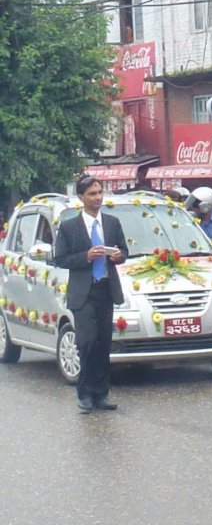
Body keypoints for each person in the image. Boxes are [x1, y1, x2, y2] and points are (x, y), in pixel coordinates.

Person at [54, 176, 128, 413]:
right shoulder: (69, 227)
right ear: (81, 197)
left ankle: (101, 393)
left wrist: (119, 256)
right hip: (83, 293)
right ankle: (84, 393)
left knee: (103, 343)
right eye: (92, 194)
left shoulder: (112, 223)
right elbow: (60, 258)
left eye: (100, 193)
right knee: (87, 342)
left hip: (106, 289)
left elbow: (124, 250)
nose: (97, 198)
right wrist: (85, 257)